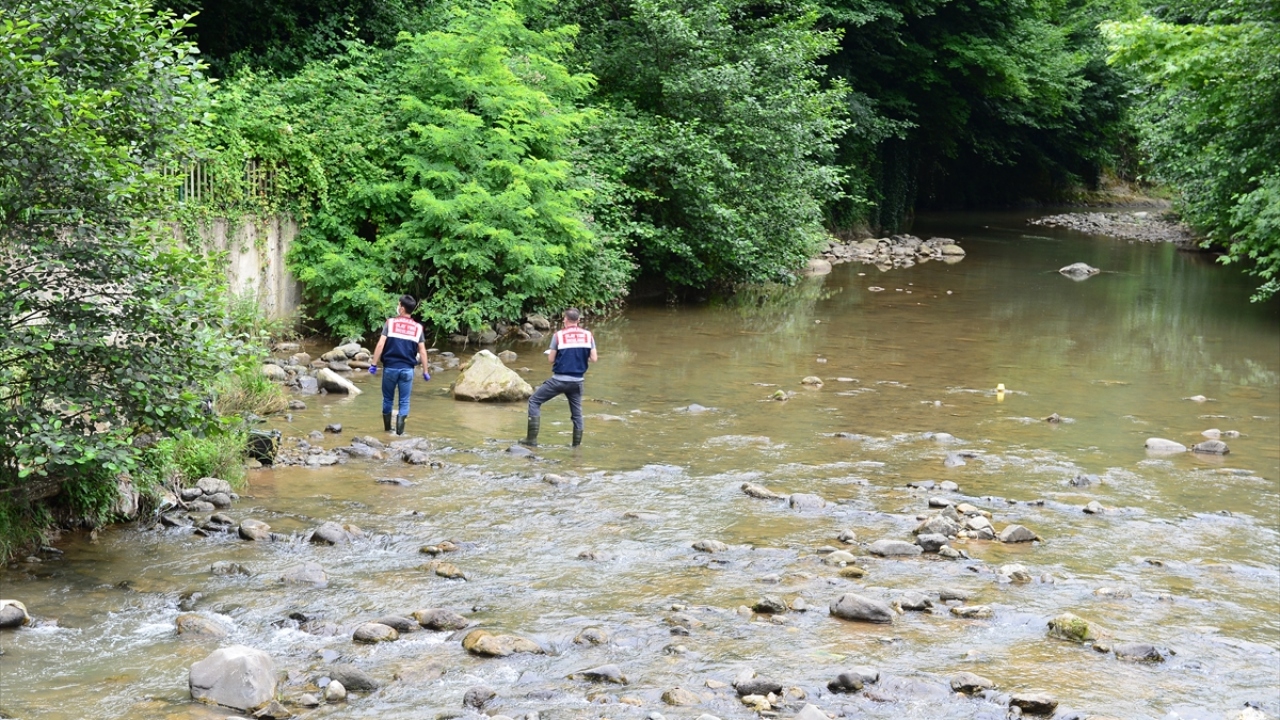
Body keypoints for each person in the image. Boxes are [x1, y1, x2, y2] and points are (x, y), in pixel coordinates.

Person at [521, 308, 597, 447]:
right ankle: (576, 446)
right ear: (578, 320)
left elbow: (551, 359)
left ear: (565, 320)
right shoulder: (588, 335)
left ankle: (531, 440)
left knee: (534, 401)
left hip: (559, 380)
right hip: (577, 382)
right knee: (577, 414)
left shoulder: (558, 336)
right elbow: (594, 358)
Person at [369, 295, 431, 436]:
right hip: (407, 370)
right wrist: (426, 371)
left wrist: (373, 363)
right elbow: (422, 351)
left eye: (398, 305)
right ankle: (399, 434)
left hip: (390, 368)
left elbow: (380, 344)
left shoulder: (390, 323)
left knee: (388, 399)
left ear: (402, 308)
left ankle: (387, 431)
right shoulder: (417, 328)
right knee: (404, 401)